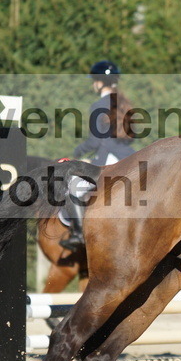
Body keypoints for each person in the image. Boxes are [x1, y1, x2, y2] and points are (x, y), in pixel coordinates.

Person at [59, 61, 138, 251]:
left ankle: (78, 235)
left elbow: (94, 142)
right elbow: (129, 136)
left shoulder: (99, 105)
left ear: (100, 82)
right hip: (130, 157)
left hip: (108, 159)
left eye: (94, 81)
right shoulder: (126, 103)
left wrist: (78, 153)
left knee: (74, 187)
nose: (93, 84)